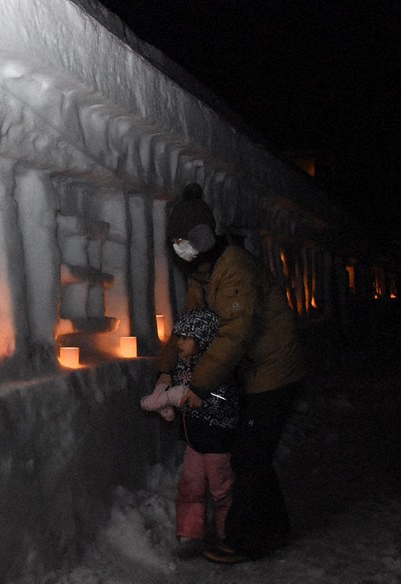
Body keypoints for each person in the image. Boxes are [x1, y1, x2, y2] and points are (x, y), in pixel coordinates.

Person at [155, 182, 305, 563]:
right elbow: (189, 326)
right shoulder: (203, 273)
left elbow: (233, 334)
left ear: (201, 237)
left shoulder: (234, 269)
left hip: (273, 372)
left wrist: (198, 385)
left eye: (182, 240)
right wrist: (165, 371)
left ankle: (245, 540)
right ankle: (275, 529)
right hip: (252, 373)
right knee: (254, 454)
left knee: (248, 456)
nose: (178, 247)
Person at [140, 308, 239, 559]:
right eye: (179, 337)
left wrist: (190, 396)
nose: (179, 343)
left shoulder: (215, 368)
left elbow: (222, 398)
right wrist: (166, 398)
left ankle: (228, 535)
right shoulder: (183, 366)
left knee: (222, 490)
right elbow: (175, 390)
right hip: (194, 441)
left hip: (217, 441)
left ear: (203, 339)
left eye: (186, 338)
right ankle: (190, 534)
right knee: (190, 487)